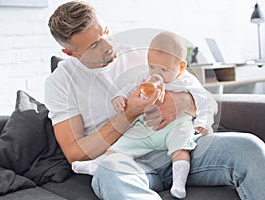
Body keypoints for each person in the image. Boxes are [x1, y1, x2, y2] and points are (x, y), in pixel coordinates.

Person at [45, 1, 265, 200]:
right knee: (110, 174)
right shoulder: (61, 83)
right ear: (70, 53)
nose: (109, 44)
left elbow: (205, 100)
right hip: (127, 162)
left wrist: (180, 102)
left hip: (178, 148)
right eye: (96, 44)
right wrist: (128, 114)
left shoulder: (144, 54)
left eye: (107, 31)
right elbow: (76, 154)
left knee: (248, 146)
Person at [71, 31, 214, 199]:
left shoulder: (187, 81)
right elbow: (131, 87)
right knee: (125, 141)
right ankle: (96, 164)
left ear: (181, 67)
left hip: (177, 124)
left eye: (164, 69)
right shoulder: (147, 77)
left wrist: (203, 122)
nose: (156, 73)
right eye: (152, 66)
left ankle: (179, 183)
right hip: (148, 125)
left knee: (181, 147)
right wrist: (120, 97)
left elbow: (204, 101)